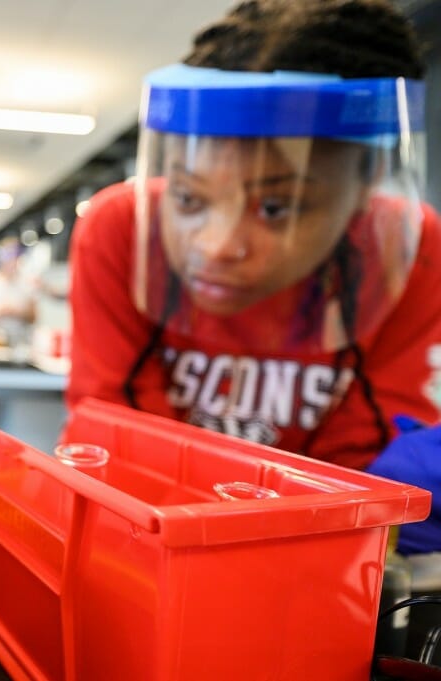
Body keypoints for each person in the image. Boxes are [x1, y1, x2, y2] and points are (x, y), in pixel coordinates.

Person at [66, 0, 441, 553]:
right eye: (189, 197)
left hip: (315, 556)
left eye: (275, 208)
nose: (217, 247)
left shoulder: (413, 253)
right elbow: (113, 427)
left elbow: (365, 456)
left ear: (368, 182)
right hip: (146, 540)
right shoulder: (119, 228)